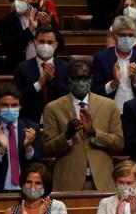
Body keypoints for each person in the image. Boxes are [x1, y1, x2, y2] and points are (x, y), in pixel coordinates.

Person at [41, 58, 125, 191]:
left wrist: (94, 133)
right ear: (69, 80)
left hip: (102, 180)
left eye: (85, 78)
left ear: (91, 79)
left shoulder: (109, 105)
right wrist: (67, 136)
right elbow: (47, 148)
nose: (81, 82)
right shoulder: (53, 108)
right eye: (77, 79)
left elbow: (119, 143)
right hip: (68, 181)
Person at [0, 85, 42, 193]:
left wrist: (28, 147)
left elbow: (39, 164)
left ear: (20, 107)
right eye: (5, 105)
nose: (10, 109)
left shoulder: (32, 128)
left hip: (26, 189)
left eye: (14, 105)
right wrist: (1, 149)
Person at [91, 15, 136, 113]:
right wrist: (113, 83)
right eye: (122, 35)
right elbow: (94, 92)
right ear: (113, 35)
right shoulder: (101, 58)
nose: (127, 38)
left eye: (130, 35)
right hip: (110, 113)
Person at [14, 26, 69, 124]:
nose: (45, 45)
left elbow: (69, 96)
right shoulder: (22, 68)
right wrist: (38, 84)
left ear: (56, 45)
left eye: (49, 42)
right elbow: (17, 97)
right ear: (35, 43)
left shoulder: (65, 67)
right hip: (30, 121)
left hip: (58, 121)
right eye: (42, 42)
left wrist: (53, 80)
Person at [0, 0, 59, 72]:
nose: (16, 2)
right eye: (12, 0)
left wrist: (48, 27)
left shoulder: (45, 16)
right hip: (20, 70)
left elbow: (60, 46)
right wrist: (30, 30)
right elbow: (7, 47)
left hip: (46, 68)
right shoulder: (5, 22)